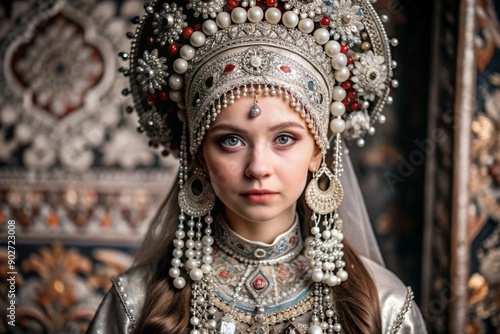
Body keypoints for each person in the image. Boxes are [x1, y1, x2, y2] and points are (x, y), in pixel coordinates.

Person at [87, 0, 428, 333]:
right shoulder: (136, 302)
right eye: (231, 141)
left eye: (284, 139)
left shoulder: (384, 306)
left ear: (318, 152)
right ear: (199, 154)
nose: (258, 168)